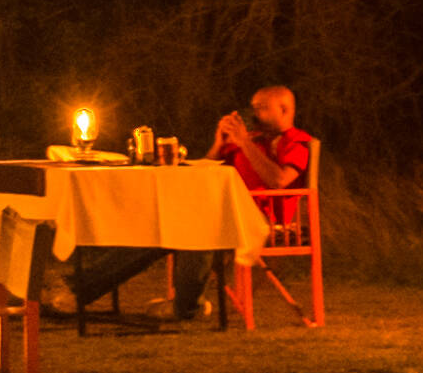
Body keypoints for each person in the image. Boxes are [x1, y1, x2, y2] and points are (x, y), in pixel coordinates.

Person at [62, 79, 305, 323]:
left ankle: (186, 307)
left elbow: (279, 180)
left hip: (259, 217)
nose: (254, 113)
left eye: (262, 107)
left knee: (198, 230)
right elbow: (208, 169)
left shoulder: (297, 143)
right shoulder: (250, 140)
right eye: (253, 107)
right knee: (158, 227)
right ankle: (77, 291)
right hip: (218, 208)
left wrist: (243, 143)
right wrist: (219, 143)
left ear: (284, 110)